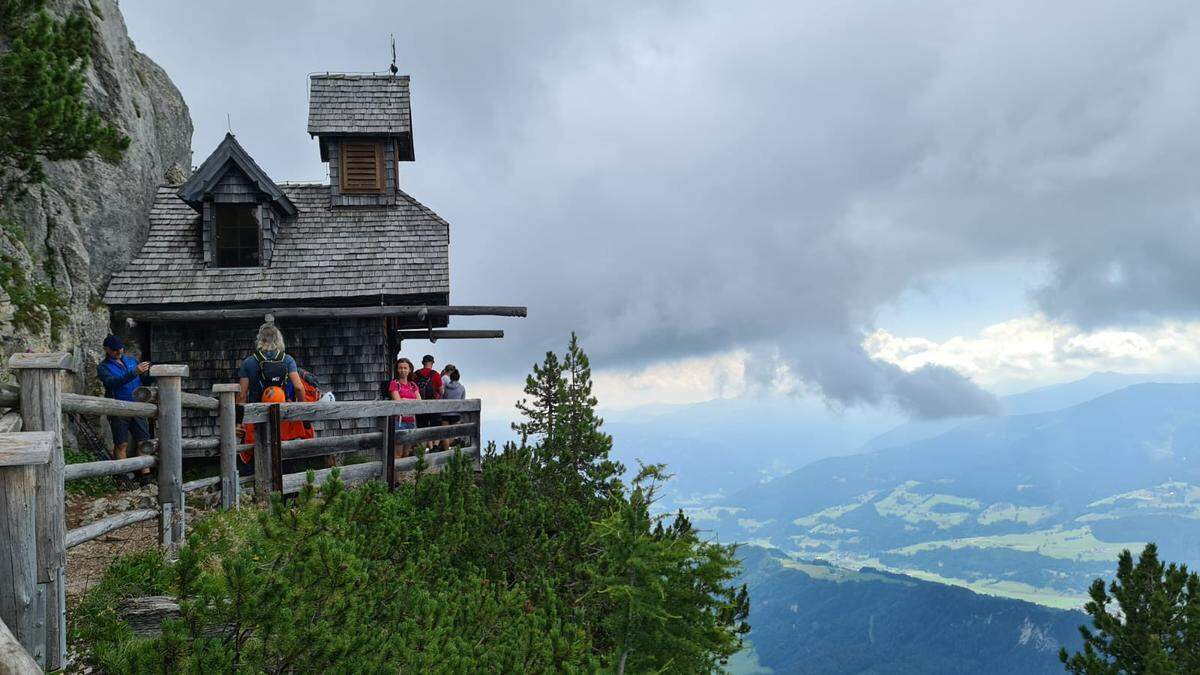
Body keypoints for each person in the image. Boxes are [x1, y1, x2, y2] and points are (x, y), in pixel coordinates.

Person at [96, 335, 152, 484]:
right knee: (121, 444)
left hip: (138, 406)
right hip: (118, 408)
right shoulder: (103, 367)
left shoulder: (132, 361)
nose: (118, 352)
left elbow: (143, 380)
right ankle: (123, 475)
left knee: (143, 442)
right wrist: (134, 372)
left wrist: (152, 374)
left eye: (120, 349)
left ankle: (145, 476)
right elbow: (112, 383)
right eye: (115, 351)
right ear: (107, 350)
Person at [237, 323, 306, 406]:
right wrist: (303, 407)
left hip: (257, 412)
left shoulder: (249, 362)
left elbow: (241, 396)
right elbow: (298, 387)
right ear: (279, 340)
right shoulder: (287, 360)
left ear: (259, 340)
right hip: (283, 411)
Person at [389, 357, 421, 458]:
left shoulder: (413, 385)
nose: (403, 370)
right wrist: (410, 401)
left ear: (409, 369)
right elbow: (398, 402)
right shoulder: (394, 384)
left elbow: (420, 402)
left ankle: (402, 474)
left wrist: (405, 399)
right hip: (399, 421)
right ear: (397, 370)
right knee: (397, 454)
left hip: (411, 421)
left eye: (405, 368)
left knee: (406, 454)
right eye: (400, 368)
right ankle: (396, 474)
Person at [412, 354, 444, 433]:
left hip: (419, 404)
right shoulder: (436, 374)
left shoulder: (415, 374)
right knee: (435, 428)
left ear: (422, 362)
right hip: (433, 405)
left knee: (422, 428)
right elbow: (441, 391)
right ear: (432, 363)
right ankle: (434, 445)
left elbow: (411, 388)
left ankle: (425, 445)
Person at [439, 364, 465, 452]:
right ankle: (447, 449)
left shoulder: (445, 387)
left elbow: (441, 398)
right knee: (453, 434)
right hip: (456, 413)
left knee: (445, 433)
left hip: (445, 413)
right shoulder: (462, 388)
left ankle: (445, 451)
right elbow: (463, 401)